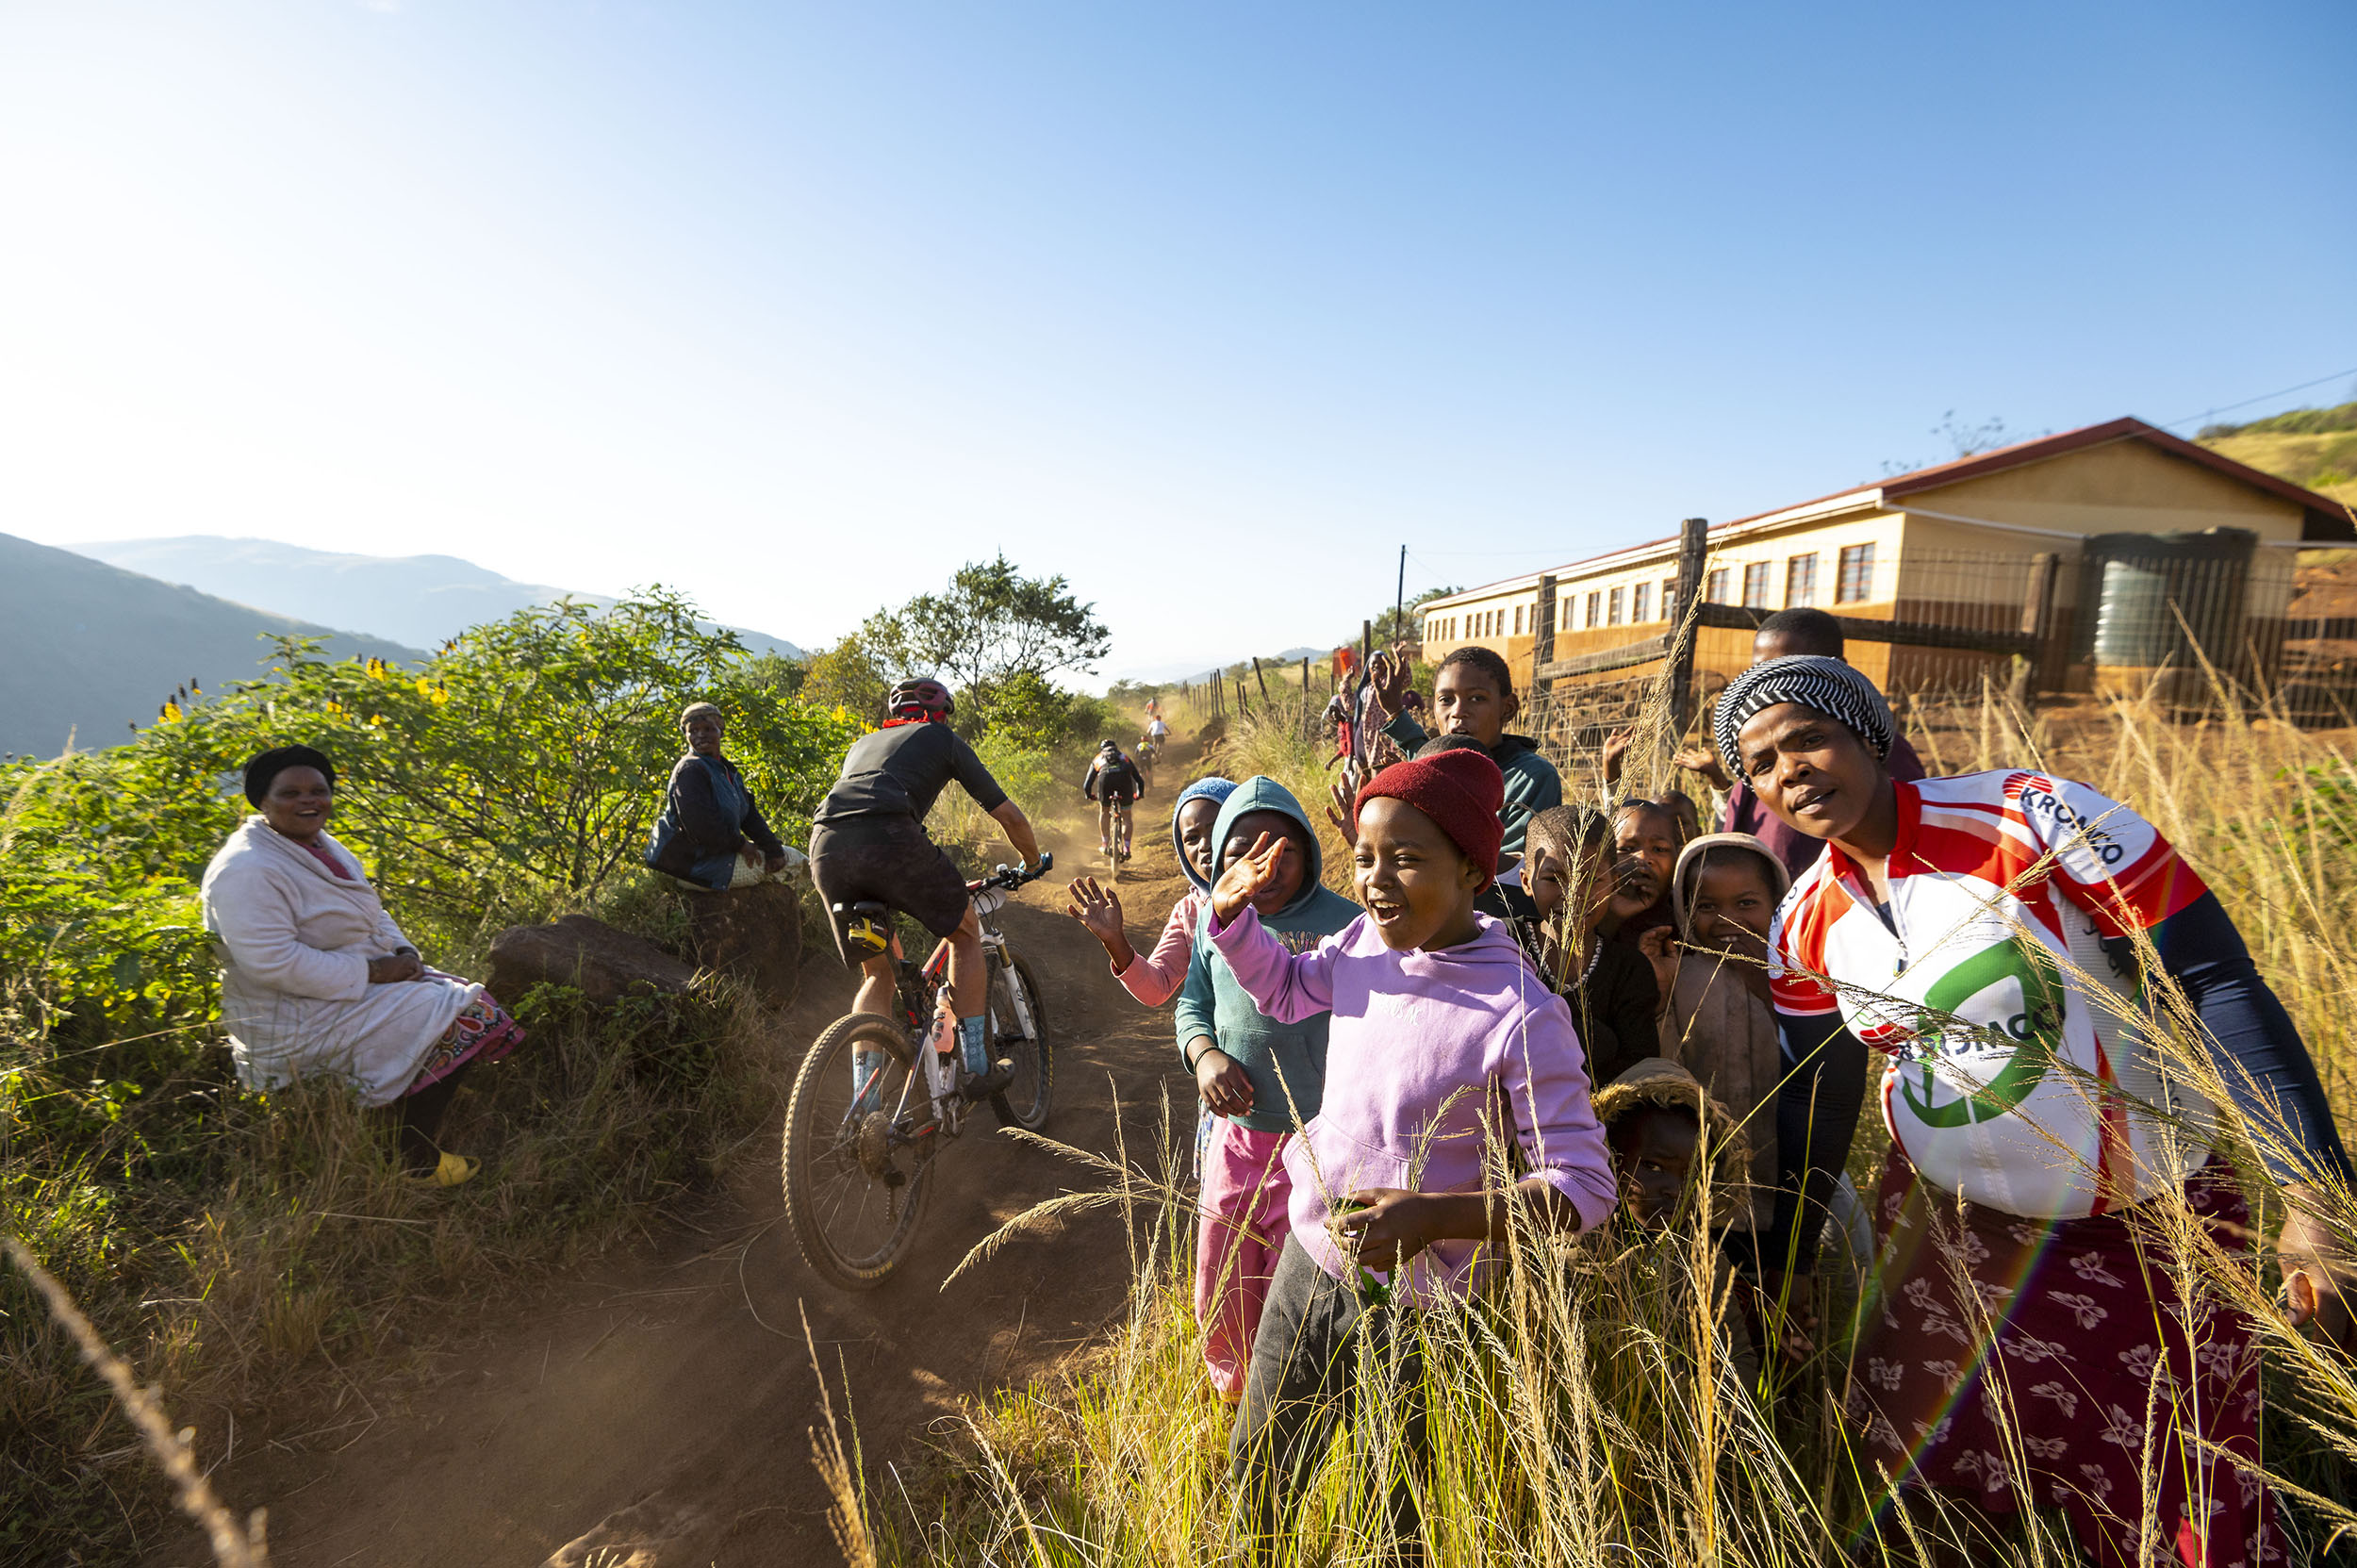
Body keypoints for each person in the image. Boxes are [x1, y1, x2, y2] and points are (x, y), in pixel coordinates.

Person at [1726, 654, 2355, 1567]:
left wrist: (2312, 1195)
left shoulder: (2032, 817)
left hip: (2145, 1229)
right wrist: (1786, 1261)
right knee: (1923, 1492)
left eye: (1808, 738)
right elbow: (1822, 1095)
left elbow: (2215, 978)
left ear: (1868, 733)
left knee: (2185, 1503)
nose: (1789, 770)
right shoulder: (1801, 922)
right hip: (1947, 1240)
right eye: (1760, 763)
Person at [1211, 748, 1615, 1551]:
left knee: (1391, 1506)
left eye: (1405, 858)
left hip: (1423, 1307)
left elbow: (1583, 1184)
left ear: (1472, 869)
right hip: (1311, 1259)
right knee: (1259, 1465)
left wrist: (1434, 1217)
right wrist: (1233, 922)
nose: (1376, 880)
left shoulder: (1519, 1010)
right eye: (1364, 858)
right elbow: (1287, 987)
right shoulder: (1363, 943)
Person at [200, 746, 523, 1187]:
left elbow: (372, 911)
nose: (308, 801)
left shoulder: (318, 844)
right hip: (293, 1013)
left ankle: (416, 1090)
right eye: (290, 793)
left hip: (337, 989)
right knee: (463, 1015)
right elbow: (271, 962)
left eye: (318, 790)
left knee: (459, 1000)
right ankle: (412, 1158)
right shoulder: (247, 869)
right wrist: (372, 971)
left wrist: (404, 952)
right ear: (262, 801)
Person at [1172, 778, 1360, 1402]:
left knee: (1295, 1273)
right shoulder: (1213, 923)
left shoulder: (1345, 924)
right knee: (1222, 1268)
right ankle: (1232, 1386)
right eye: (1241, 852)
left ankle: (1284, 1393)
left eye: (1283, 851)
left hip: (1318, 1143)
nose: (1263, 867)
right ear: (1218, 861)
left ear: (1309, 851)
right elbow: (1191, 1007)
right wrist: (1204, 1057)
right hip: (1237, 1139)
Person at [808, 679, 1043, 1096]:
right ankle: (976, 1068)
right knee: (965, 932)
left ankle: (866, 1103)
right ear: (941, 715)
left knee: (878, 972)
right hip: (890, 837)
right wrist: (1033, 861)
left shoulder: (862, 744)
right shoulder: (940, 737)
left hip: (826, 847)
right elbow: (1008, 815)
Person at [1670, 607, 1924, 881]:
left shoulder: (1874, 748)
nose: (1774, 684)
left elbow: (1910, 832)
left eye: (1791, 669)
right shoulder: (1760, 758)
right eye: (1761, 672)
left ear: (1836, 667)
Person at [1364, 645, 1562, 862]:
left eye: (1477, 698)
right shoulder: (1439, 768)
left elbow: (1511, 867)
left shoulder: (1531, 778)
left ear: (1508, 708)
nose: (1458, 712)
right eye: (1446, 700)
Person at [1518, 804, 1660, 1086]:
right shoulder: (1505, 945)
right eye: (1553, 879)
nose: (1574, 895)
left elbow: (1640, 1070)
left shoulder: (1629, 970)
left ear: (1614, 883)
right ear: (1526, 881)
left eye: (1592, 879)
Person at [1063, 775, 1236, 1008]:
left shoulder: (1273, 896)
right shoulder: (1189, 913)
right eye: (1192, 838)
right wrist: (1115, 941)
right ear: (1181, 851)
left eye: (1215, 830)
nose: (1205, 845)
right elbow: (1156, 988)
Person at [645, 702, 799, 889]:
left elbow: (749, 816)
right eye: (693, 731)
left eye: (708, 729)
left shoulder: (726, 770)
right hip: (694, 866)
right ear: (686, 735)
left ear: (720, 731)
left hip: (717, 856)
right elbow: (702, 826)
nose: (700, 735)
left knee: (789, 856)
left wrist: (773, 848)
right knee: (795, 863)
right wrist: (741, 845)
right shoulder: (690, 770)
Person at [1083, 739, 1146, 861]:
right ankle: (1126, 847)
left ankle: (1105, 843)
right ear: (1115, 748)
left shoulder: (1098, 758)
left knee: (1104, 811)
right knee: (1127, 816)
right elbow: (1139, 779)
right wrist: (1139, 794)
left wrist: (1089, 795)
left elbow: (1087, 784)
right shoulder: (1124, 757)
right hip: (1124, 782)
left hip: (1105, 781)